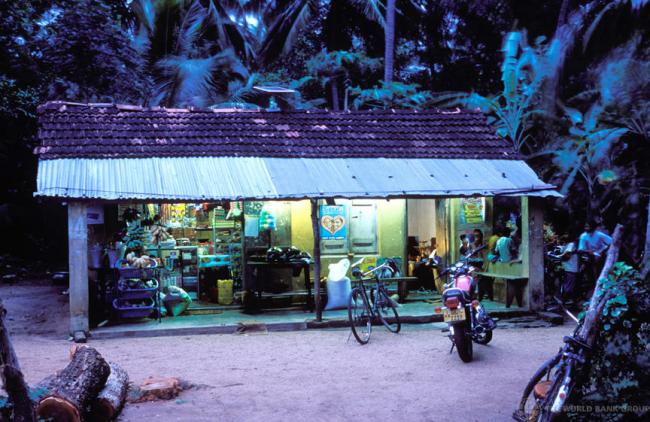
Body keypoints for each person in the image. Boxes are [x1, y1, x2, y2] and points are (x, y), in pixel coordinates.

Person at [578, 219, 612, 285]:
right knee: (587, 268)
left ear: (592, 227)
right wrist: (588, 251)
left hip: (601, 254)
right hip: (589, 255)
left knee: (601, 269)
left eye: (587, 226)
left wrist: (604, 251)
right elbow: (580, 249)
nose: (586, 228)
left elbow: (611, 242)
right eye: (585, 226)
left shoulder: (599, 234)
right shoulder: (583, 236)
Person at [549, 233, 579, 304]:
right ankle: (564, 300)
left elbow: (567, 255)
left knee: (568, 286)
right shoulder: (566, 244)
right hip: (566, 268)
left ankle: (568, 300)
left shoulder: (571, 244)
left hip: (571, 268)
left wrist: (557, 257)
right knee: (564, 285)